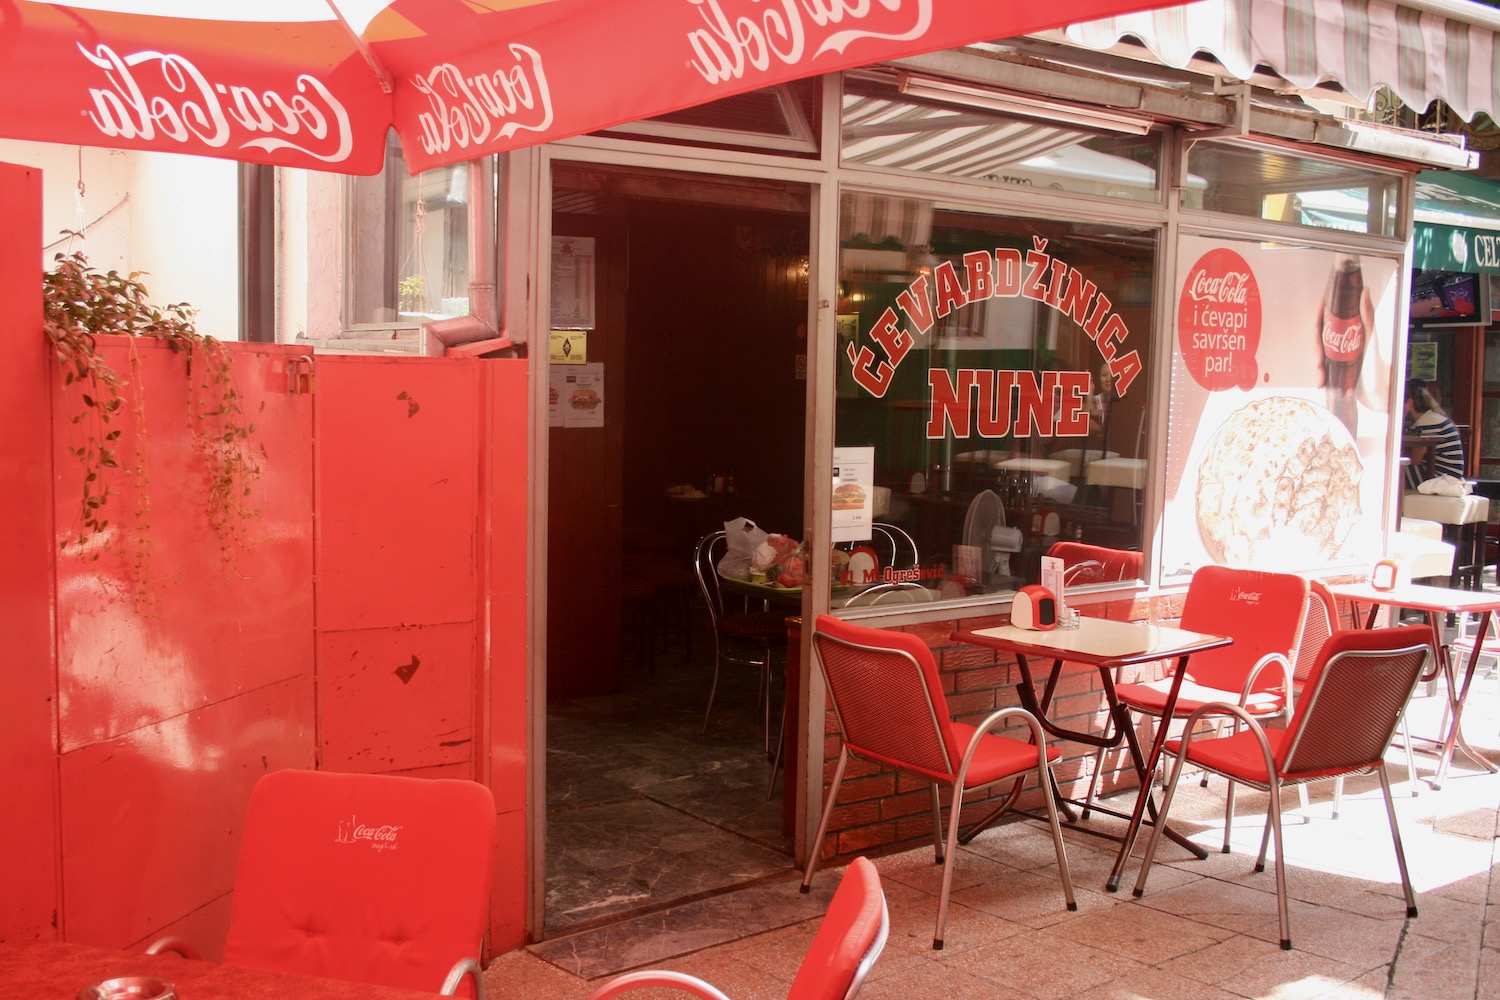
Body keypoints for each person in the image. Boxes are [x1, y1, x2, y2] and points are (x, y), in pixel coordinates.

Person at [1403, 379, 1466, 491]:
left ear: (1410, 403)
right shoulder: (1433, 418)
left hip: (1439, 477)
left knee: (1388, 473)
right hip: (1448, 476)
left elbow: (1415, 460)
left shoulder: (1427, 423)